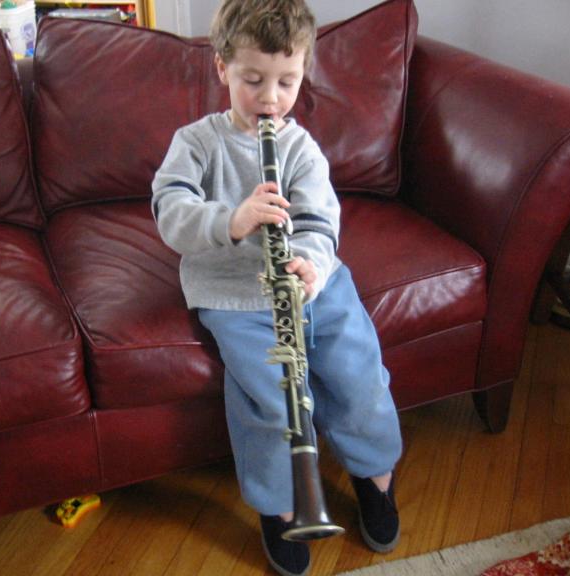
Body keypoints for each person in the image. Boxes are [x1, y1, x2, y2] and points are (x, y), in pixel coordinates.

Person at [151, 1, 402, 574]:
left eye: (286, 82)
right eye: (253, 80)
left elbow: (319, 222)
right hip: (233, 293)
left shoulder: (300, 147)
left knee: (358, 372)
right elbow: (171, 213)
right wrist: (232, 219)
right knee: (268, 398)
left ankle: (375, 475)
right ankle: (281, 503)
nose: (270, 98)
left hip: (312, 285)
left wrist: (310, 264)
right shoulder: (196, 142)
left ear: (303, 71)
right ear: (222, 68)